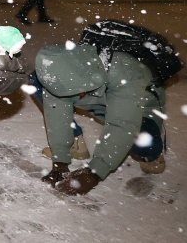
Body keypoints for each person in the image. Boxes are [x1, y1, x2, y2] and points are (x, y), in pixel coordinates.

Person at [35, 43, 166, 196]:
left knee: (145, 146)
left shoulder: (126, 71)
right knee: (36, 81)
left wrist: (94, 173)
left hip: (139, 110)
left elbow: (122, 125)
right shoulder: (56, 69)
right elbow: (56, 112)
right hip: (102, 104)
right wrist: (60, 162)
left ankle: (152, 151)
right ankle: (76, 143)